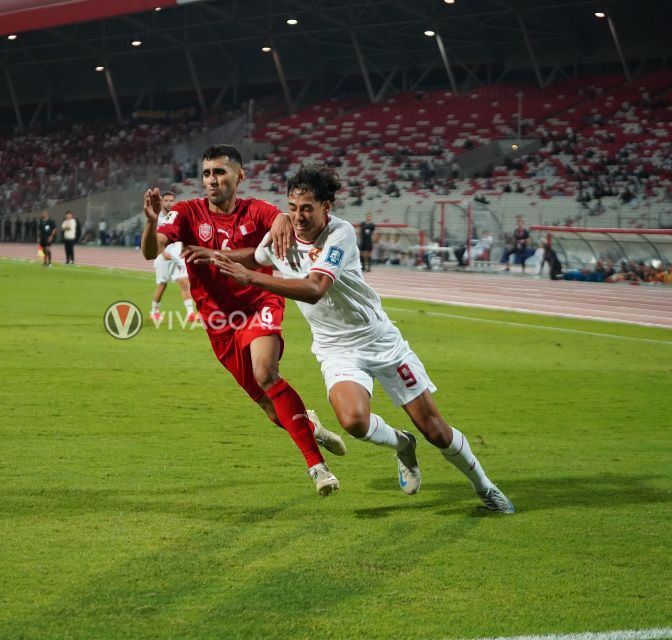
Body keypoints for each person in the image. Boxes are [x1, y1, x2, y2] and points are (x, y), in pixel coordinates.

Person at [208, 164, 514, 513]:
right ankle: (402, 444)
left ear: (327, 206)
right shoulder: (282, 233)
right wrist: (215, 256)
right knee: (353, 421)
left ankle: (486, 487)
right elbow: (259, 255)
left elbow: (314, 289)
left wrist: (251, 278)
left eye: (307, 208)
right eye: (292, 208)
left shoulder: (341, 234)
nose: (298, 216)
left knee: (436, 431)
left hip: (379, 340)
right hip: (336, 348)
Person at [141, 145, 347, 497]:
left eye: (220, 172)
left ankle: (317, 468)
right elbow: (151, 251)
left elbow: (281, 220)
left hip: (259, 303)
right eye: (206, 173)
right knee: (270, 409)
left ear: (240, 176)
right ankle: (309, 425)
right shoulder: (187, 213)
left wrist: (283, 219)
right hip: (220, 320)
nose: (212, 180)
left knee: (266, 373)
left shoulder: (259, 211)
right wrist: (150, 223)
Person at [149, 191, 196, 322]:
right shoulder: (157, 218)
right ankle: (154, 311)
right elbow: (153, 238)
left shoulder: (177, 217)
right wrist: (163, 252)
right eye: (166, 200)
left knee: (184, 282)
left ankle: (190, 313)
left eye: (171, 200)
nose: (169, 203)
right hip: (163, 258)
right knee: (162, 285)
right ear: (162, 202)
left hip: (177, 256)